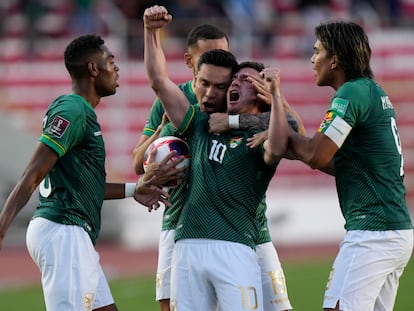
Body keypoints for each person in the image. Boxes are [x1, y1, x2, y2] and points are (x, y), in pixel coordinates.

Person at [0, 34, 182, 311]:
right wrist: (2, 228)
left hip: (73, 232)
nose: (116, 67)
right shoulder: (73, 109)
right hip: (63, 230)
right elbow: (32, 173)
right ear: (93, 69)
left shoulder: (81, 112)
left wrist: (136, 189)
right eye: (110, 61)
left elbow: (86, 185)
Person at [133, 24, 294, 311]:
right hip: (186, 239)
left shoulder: (261, 138)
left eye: (227, 84)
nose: (214, 92)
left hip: (240, 243)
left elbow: (291, 135)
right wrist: (150, 31)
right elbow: (158, 80)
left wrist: (274, 97)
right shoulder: (197, 121)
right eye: (207, 84)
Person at [286, 21, 413, 311]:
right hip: (393, 229)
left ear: (334, 59)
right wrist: (295, 145)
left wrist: (281, 136)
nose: (312, 58)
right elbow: (336, 161)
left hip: (373, 232)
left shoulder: (350, 93)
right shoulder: (371, 91)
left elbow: (317, 155)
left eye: (317, 51)